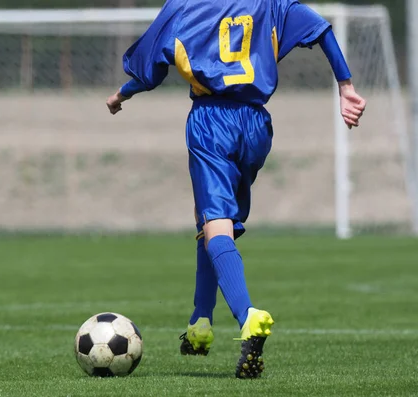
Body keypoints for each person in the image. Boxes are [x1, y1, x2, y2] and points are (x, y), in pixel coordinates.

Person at [106, 0, 366, 378]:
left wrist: (122, 94)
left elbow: (150, 68)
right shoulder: (270, 3)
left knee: (216, 223)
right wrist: (345, 86)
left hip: (211, 121)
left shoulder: (184, 6)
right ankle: (200, 322)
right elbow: (321, 29)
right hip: (257, 125)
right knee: (212, 220)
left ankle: (248, 316)